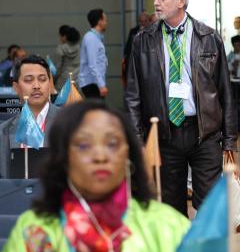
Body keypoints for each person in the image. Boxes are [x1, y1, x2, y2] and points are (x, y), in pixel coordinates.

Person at [4, 100, 190, 251]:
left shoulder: (167, 225)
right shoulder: (35, 230)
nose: (100, 156)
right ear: (63, 158)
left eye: (112, 144)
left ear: (128, 156)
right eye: (84, 145)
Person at [126, 0, 237, 217]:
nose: (156, 2)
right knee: (171, 208)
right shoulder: (142, 41)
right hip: (165, 135)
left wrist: (229, 141)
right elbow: (133, 96)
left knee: (208, 207)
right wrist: (137, 140)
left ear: (181, 1)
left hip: (205, 134)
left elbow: (225, 93)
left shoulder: (209, 37)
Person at [0, 55, 61, 178]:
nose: (36, 86)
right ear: (16, 88)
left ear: (50, 85)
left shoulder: (70, 123)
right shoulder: (3, 131)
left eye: (43, 79)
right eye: (28, 80)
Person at [78, 8, 109, 98]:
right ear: (100, 21)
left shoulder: (94, 38)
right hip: (92, 84)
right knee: (96, 110)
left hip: (93, 83)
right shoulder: (91, 38)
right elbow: (93, 64)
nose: (106, 23)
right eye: (105, 20)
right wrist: (101, 85)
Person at [55, 25, 81, 89]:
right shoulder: (79, 48)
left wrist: (53, 79)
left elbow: (58, 68)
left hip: (63, 81)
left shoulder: (60, 49)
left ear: (65, 37)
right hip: (77, 81)